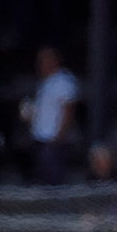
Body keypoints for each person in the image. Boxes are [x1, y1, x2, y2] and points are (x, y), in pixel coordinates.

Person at [23, 46, 78, 184]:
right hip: (39, 138)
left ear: (55, 60)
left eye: (45, 59)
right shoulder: (44, 82)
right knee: (43, 180)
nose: (41, 63)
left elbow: (68, 111)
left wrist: (58, 138)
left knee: (55, 181)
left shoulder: (63, 81)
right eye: (40, 60)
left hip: (53, 140)